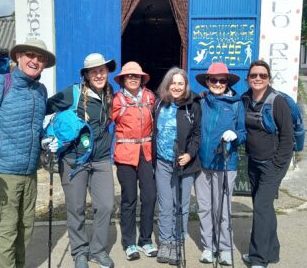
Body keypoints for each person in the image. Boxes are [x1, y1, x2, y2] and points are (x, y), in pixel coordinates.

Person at [0, 38, 56, 268]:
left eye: (40, 58)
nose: (34, 61)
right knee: (4, 234)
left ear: (45, 63)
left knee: (25, 230)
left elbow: (33, 126)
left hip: (30, 174)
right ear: (18, 57)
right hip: (2, 174)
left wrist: (45, 139)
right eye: (29, 55)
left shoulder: (41, 91)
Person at [46, 53, 116, 268]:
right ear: (86, 74)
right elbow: (45, 107)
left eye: (102, 70)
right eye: (93, 71)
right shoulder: (73, 93)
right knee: (76, 207)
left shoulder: (110, 94)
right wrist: (49, 135)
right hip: (73, 161)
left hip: (102, 160)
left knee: (105, 205)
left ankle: (97, 250)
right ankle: (79, 252)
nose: (99, 74)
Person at [241, 60, 294, 268]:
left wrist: (277, 163)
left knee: (261, 207)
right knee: (264, 207)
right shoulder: (246, 99)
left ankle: (258, 259)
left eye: (262, 75)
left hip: (273, 163)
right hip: (254, 162)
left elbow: (288, 137)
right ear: (248, 78)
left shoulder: (277, 101)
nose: (258, 79)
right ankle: (271, 252)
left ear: (268, 78)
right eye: (254, 75)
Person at [194, 62, 246, 266]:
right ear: (207, 81)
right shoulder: (201, 102)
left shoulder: (236, 103)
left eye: (221, 80)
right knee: (204, 208)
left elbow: (243, 132)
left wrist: (235, 136)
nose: (217, 83)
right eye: (213, 79)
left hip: (226, 162)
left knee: (222, 209)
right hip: (202, 164)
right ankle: (208, 247)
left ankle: (225, 248)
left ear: (227, 82)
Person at [153, 67, 201, 265]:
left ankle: (178, 238)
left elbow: (198, 134)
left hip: (185, 164)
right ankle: (166, 242)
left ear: (186, 86)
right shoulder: (159, 104)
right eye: (173, 83)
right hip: (163, 162)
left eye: (180, 83)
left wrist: (189, 154)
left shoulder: (193, 105)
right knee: (165, 204)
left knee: (181, 204)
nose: (176, 87)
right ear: (167, 84)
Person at [112, 61, 157, 261]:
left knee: (149, 196)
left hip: (146, 152)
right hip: (125, 153)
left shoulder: (150, 97)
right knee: (129, 198)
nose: (132, 78)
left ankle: (145, 240)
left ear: (141, 79)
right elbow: (103, 123)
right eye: (129, 76)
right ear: (122, 79)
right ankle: (129, 242)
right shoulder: (116, 100)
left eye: (136, 76)